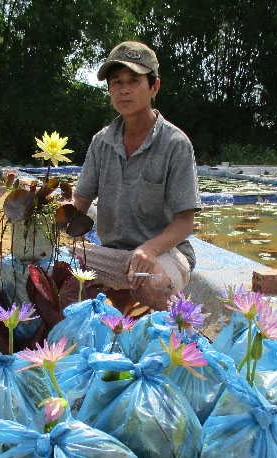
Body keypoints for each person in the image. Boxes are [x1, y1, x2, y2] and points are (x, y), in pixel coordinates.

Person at [72, 41, 200, 312]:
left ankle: (171, 331)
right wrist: (45, 215)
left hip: (162, 255)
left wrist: (150, 249)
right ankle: (123, 307)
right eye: (116, 82)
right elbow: (80, 202)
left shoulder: (175, 144)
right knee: (55, 266)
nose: (124, 89)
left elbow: (185, 223)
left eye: (133, 81)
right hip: (112, 254)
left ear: (154, 87)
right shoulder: (101, 142)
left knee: (151, 282)